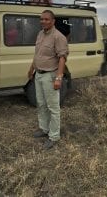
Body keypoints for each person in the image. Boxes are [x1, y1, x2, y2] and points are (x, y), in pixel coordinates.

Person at [27, 10, 68, 150]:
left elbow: (62, 58)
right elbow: (37, 54)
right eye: (41, 19)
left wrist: (59, 78)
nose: (43, 21)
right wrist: (31, 68)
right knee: (41, 103)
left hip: (50, 75)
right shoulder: (40, 34)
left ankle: (54, 136)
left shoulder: (58, 37)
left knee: (53, 107)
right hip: (39, 74)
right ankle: (44, 129)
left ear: (53, 21)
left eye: (46, 19)